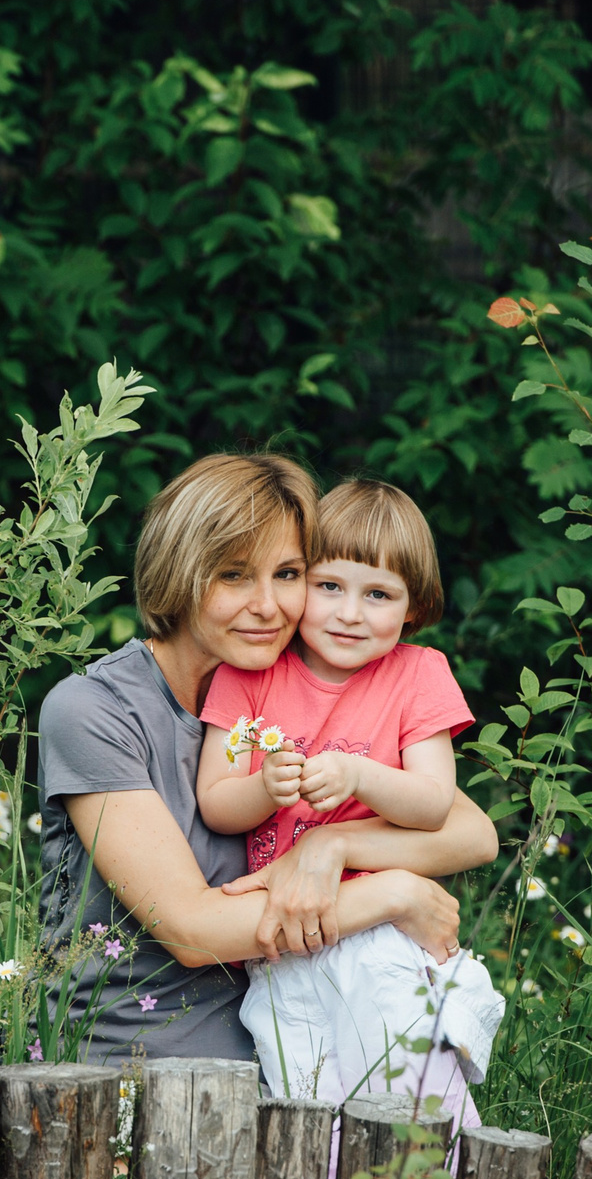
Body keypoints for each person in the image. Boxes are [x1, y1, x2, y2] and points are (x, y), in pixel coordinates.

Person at [35, 451, 499, 1069]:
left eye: (288, 574)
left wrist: (328, 849)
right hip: (127, 1064)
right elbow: (191, 933)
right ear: (180, 574)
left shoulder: (300, 694)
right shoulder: (94, 711)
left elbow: (470, 831)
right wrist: (393, 895)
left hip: (287, 1052)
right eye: (234, 576)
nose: (269, 606)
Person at [195, 479, 503, 1123]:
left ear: (413, 608)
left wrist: (361, 776)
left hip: (378, 938)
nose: (349, 613)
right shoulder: (249, 675)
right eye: (329, 586)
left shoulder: (417, 673)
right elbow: (218, 802)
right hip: (280, 947)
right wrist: (263, 787)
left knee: (408, 1106)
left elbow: (432, 802)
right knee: (302, 1107)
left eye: (379, 595)